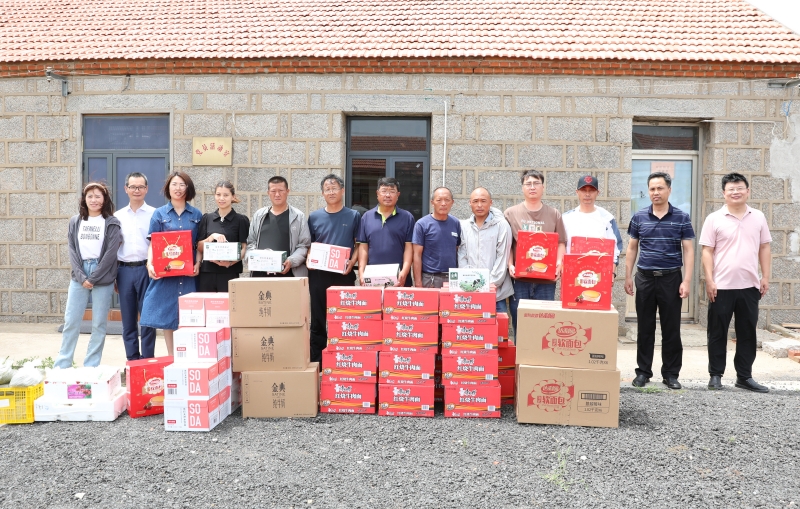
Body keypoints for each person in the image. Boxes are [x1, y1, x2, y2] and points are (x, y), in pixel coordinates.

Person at [700, 173, 772, 393]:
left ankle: (744, 376)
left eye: (740, 188)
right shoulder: (714, 218)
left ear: (747, 191)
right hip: (721, 286)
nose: (736, 192)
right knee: (717, 332)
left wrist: (765, 276)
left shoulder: (758, 217)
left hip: (749, 286)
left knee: (747, 332)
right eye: (731, 189)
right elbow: (707, 251)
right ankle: (715, 375)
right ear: (724, 193)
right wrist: (709, 280)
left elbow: (764, 247)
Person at [624, 172, 695, 390]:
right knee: (644, 328)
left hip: (671, 279)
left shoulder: (681, 217)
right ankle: (643, 372)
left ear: (669, 190)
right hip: (645, 278)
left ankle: (671, 374)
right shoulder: (639, 217)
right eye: (652, 189)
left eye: (660, 188)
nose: (656, 192)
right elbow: (632, 247)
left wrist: (687, 281)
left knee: (671, 328)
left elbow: (689, 250)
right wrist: (627, 276)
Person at [54, 182, 121, 368]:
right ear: (84, 199)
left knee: (99, 324)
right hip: (79, 274)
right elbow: (72, 249)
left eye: (98, 196)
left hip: (103, 274)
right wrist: (82, 276)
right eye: (90, 196)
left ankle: (91, 365)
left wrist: (93, 278)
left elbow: (111, 253)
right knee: (71, 321)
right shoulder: (75, 221)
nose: (94, 200)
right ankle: (62, 364)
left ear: (105, 199)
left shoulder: (112, 223)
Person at [140, 172, 203, 356]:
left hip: (188, 273)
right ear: (168, 188)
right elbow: (153, 242)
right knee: (168, 317)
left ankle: (188, 357)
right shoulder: (159, 214)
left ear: (188, 188)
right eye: (174, 184)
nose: (178, 188)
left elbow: (199, 244)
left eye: (182, 184)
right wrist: (150, 264)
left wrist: (198, 263)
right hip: (167, 273)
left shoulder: (197, 214)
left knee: (189, 315)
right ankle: (172, 357)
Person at [504, 169, 566, 334]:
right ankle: (521, 352)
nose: (532, 187)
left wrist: (559, 264)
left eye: (536, 183)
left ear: (543, 187)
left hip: (546, 280)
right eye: (528, 184)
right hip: (520, 279)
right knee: (520, 324)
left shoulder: (554, 214)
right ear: (522, 187)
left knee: (544, 326)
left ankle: (541, 352)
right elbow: (508, 244)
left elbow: (561, 242)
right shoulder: (511, 213)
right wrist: (510, 265)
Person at [307, 174, 361, 362]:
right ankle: (318, 362)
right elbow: (309, 245)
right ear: (322, 193)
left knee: (345, 318)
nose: (331, 192)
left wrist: (352, 263)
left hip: (343, 274)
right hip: (318, 274)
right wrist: (309, 259)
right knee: (318, 318)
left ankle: (344, 359)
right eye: (327, 189)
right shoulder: (314, 217)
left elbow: (359, 245)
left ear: (342, 190)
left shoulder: (353, 216)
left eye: (334, 188)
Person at [114, 172, 156, 361]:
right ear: (126, 189)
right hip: (124, 271)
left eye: (140, 187)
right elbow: (113, 247)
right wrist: (114, 275)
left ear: (146, 189)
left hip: (147, 270)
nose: (136, 190)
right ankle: (132, 361)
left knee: (148, 319)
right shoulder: (117, 216)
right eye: (132, 187)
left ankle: (147, 361)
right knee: (128, 320)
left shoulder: (155, 214)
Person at [458, 187, 513, 312]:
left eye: (483, 201)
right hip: (470, 292)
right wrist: (470, 283)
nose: (479, 205)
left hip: (496, 294)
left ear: (490, 202)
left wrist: (487, 286)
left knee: (498, 324)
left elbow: (502, 258)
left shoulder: (501, 225)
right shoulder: (464, 226)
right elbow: (462, 256)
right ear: (470, 203)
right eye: (475, 201)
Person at [246, 176, 310, 278]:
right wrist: (251, 258)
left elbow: (304, 245)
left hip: (288, 275)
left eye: (281, 190)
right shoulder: (259, 215)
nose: (277, 194)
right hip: (260, 274)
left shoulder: (298, 217)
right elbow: (251, 242)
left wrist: (291, 261)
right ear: (268, 193)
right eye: (273, 191)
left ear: (287, 191)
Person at [356, 177, 415, 287]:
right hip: (372, 278)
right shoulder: (366, 217)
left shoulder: (407, 217)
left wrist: (404, 272)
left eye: (392, 191)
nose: (388, 195)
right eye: (384, 191)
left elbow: (409, 248)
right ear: (377, 193)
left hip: (398, 278)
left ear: (398, 195)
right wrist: (361, 272)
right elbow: (363, 248)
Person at [197, 181, 250, 292]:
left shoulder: (241, 220)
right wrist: (211, 237)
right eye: (218, 194)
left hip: (229, 273)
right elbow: (199, 247)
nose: (221, 198)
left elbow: (244, 248)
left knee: (228, 303)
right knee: (208, 302)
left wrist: (230, 263)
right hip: (207, 273)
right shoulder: (207, 218)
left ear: (233, 197)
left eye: (226, 195)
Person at [561, 174, 622, 266]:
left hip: (598, 269)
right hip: (572, 269)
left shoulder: (607, 218)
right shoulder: (566, 218)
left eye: (592, 190)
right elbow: (560, 245)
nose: (587, 194)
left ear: (598, 192)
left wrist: (612, 271)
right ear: (577, 192)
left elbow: (615, 248)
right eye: (583, 190)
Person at [412, 187, 462, 288]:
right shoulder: (422, 224)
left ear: (452, 202)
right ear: (432, 202)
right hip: (430, 278)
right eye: (439, 200)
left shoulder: (455, 223)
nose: (443, 204)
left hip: (452, 278)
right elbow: (417, 255)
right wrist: (418, 282)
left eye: (447, 200)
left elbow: (456, 249)